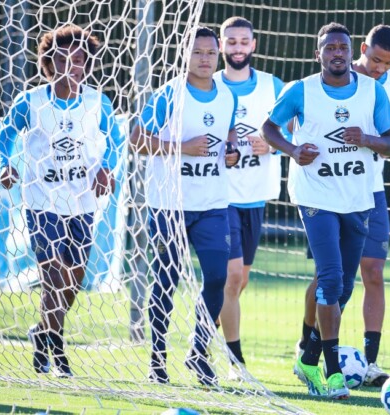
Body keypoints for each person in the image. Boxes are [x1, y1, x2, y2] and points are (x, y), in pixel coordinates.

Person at [262, 22, 390, 400]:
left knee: (343, 287)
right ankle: (334, 373)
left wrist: (367, 139)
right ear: (318, 53)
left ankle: (308, 357)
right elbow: (268, 128)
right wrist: (293, 151)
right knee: (330, 278)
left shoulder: (374, 92)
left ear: (348, 50)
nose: (337, 53)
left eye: (342, 47)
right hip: (314, 196)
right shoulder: (300, 91)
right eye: (330, 48)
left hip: (357, 199)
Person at [0, 24, 121, 378]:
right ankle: (58, 345)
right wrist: (7, 163)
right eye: (64, 58)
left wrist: (107, 169)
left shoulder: (98, 102)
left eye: (80, 59)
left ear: (87, 64)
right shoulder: (31, 101)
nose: (73, 66)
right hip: (41, 200)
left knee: (73, 278)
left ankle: (42, 331)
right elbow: (6, 133)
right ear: (50, 63)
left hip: (81, 202)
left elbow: (113, 140)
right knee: (53, 273)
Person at [129, 26, 240, 387]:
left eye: (210, 52)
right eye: (198, 53)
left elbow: (229, 136)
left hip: (212, 204)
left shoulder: (227, 96)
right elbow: (136, 140)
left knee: (218, 278)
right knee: (166, 281)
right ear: (186, 56)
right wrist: (180, 146)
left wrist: (233, 151)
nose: (205, 59)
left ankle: (198, 351)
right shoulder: (168, 95)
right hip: (169, 206)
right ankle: (157, 359)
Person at [215, 16, 288, 371]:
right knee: (230, 278)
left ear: (254, 45)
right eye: (231, 42)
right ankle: (235, 360)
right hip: (218, 197)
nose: (238, 48)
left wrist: (273, 146)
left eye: (244, 42)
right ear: (221, 45)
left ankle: (201, 335)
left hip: (255, 196)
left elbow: (296, 128)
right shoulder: (208, 85)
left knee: (239, 281)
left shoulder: (274, 86)